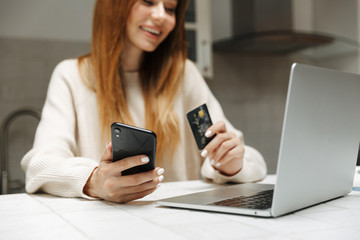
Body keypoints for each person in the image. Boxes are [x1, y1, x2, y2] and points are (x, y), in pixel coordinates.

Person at [21, 0, 267, 203]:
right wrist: (94, 181)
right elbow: (40, 165)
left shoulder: (185, 75)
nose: (161, 16)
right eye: (148, 2)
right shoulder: (71, 76)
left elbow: (251, 159)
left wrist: (230, 164)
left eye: (170, 9)